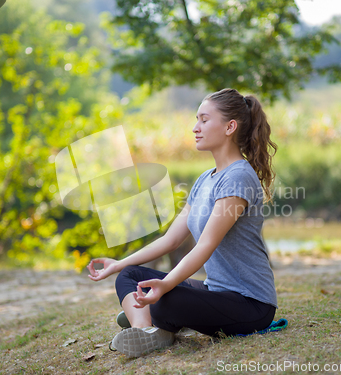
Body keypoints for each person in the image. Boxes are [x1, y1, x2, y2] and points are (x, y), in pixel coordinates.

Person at [87, 88, 278, 358]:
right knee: (130, 275)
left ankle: (153, 317)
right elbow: (171, 240)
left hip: (250, 304)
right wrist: (119, 263)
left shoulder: (238, 177)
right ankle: (146, 332)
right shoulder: (205, 179)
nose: (194, 127)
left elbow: (206, 245)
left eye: (203, 120)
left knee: (166, 299)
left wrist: (167, 284)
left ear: (229, 127)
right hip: (216, 291)